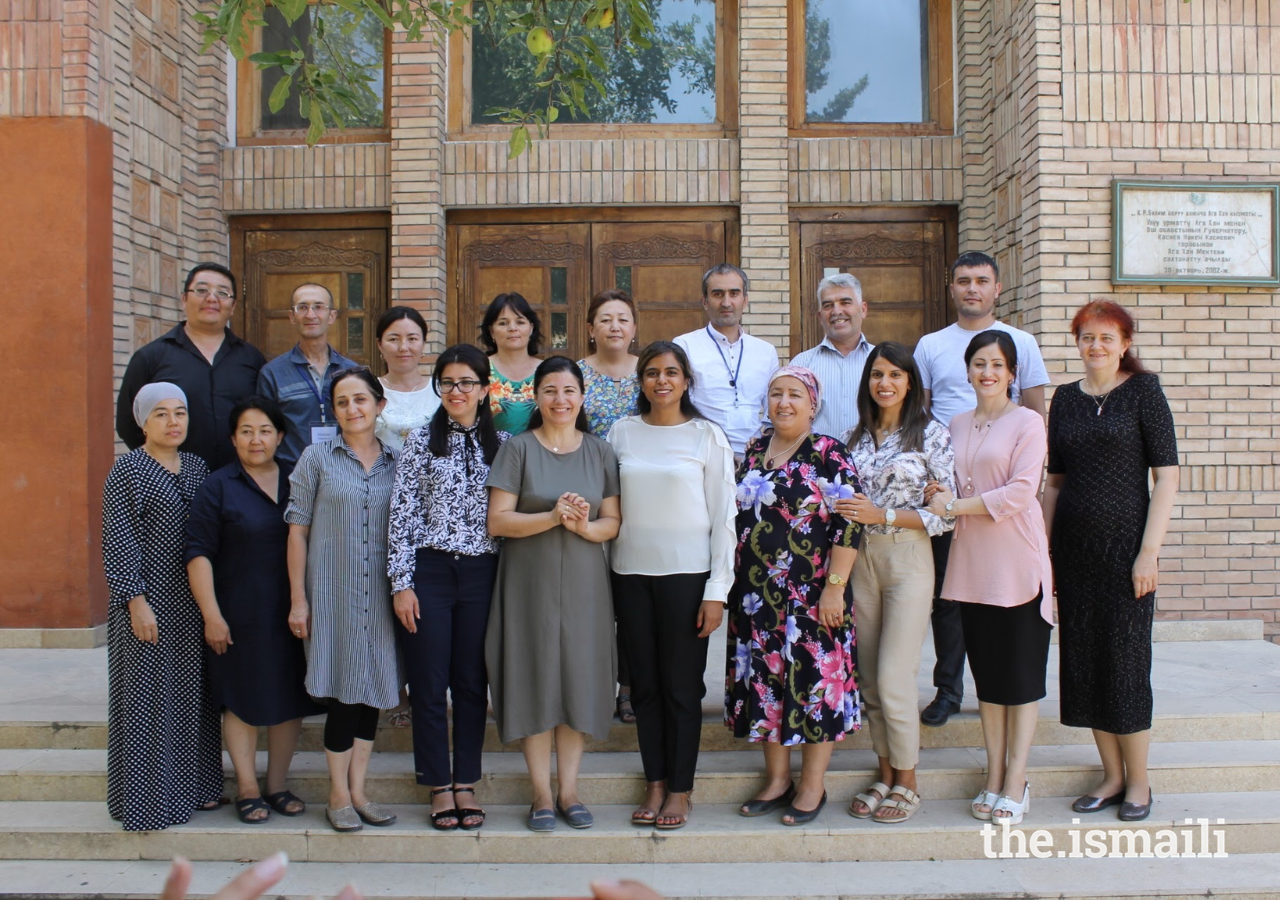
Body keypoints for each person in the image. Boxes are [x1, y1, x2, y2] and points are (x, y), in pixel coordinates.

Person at [1044, 300, 1179, 823]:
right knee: (1085, 662)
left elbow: (1166, 477)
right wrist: (1047, 554)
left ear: (1125, 343)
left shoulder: (1144, 392)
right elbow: (1054, 483)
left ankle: (1139, 782)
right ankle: (1111, 775)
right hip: (1074, 554)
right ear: (1076, 343)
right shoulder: (1065, 400)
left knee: (1125, 665)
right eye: (1086, 337)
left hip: (1127, 554)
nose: (1096, 346)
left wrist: (1149, 552)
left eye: (1107, 337)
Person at [912, 251, 1050, 728]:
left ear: (997, 288)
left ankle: (1007, 688)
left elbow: (1035, 408)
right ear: (951, 288)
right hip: (952, 481)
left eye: (982, 281)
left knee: (1005, 601)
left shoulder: (1023, 342)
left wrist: (1031, 479)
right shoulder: (931, 344)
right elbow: (922, 412)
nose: (972, 288)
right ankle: (949, 689)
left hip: (999, 482)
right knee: (950, 598)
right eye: (963, 281)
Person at [485, 356, 622, 832]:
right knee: (536, 677)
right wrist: (552, 516)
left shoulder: (601, 451)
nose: (560, 400)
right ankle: (540, 794)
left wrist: (583, 525)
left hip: (585, 579)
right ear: (536, 398)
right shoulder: (517, 449)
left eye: (568, 391)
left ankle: (569, 791)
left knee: (577, 680)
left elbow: (612, 523)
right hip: (529, 580)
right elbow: (498, 520)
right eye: (549, 391)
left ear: (581, 397)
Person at [924, 331, 1054, 826]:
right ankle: (994, 775)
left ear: (1012, 373)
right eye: (979, 363)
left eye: (997, 365)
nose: (987, 373)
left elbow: (1021, 492)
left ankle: (1017, 781)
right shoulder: (955, 423)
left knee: (1020, 682)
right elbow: (946, 478)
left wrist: (955, 505)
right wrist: (937, 489)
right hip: (972, 565)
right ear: (968, 370)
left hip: (1017, 563)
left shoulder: (1028, 422)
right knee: (990, 683)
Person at [607, 341, 735, 830]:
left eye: (672, 372)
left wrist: (716, 590)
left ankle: (680, 789)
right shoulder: (621, 433)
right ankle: (654, 782)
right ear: (640, 381)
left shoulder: (707, 436)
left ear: (686, 380)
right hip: (630, 575)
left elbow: (725, 517)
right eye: (652, 373)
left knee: (682, 689)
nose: (662, 381)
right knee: (644, 691)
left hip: (688, 578)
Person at [727, 366, 861, 827]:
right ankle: (777, 779)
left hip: (812, 597)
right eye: (776, 394)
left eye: (795, 395)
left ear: (813, 404)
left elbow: (850, 522)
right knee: (766, 686)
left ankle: (812, 784)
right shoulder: (752, 450)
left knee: (814, 688)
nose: (784, 403)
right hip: (756, 598)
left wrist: (835, 590)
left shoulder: (828, 452)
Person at [185, 397, 323, 825]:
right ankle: (246, 787)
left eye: (265, 430)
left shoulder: (298, 479)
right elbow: (198, 553)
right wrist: (211, 613)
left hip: (292, 611)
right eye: (246, 431)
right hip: (237, 613)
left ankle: (277, 785)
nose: (256, 439)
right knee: (240, 701)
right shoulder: (217, 486)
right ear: (233, 438)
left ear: (280, 436)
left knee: (287, 699)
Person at [388, 344, 508, 831]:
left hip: (482, 572)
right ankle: (439, 784)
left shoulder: (503, 445)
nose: (456, 391)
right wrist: (402, 582)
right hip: (430, 571)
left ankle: (467, 781)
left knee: (471, 682)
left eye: (466, 383)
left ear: (484, 389)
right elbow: (403, 514)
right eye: (447, 383)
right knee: (430, 683)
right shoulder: (420, 441)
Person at [834, 343, 955, 824]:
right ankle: (884, 773)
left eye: (895, 375)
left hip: (907, 558)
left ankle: (908, 781)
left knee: (895, 676)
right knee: (869, 678)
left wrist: (886, 512)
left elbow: (946, 514)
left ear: (910, 383)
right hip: (862, 560)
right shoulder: (853, 437)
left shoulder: (931, 435)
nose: (885, 383)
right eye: (877, 375)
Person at [285, 368, 402, 833]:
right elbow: (297, 532)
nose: (352, 409)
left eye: (361, 400)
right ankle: (337, 794)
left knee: (372, 689)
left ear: (379, 405)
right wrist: (298, 599)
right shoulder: (316, 458)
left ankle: (359, 791)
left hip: (382, 595)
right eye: (342, 402)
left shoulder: (398, 460)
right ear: (333, 411)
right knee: (343, 693)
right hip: (332, 594)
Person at [102, 383, 222, 831]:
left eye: (180, 413)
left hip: (191, 603)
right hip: (146, 605)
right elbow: (119, 540)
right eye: (161, 415)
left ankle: (195, 791)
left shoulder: (196, 467)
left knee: (192, 699)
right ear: (142, 422)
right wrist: (135, 600)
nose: (173, 422)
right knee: (145, 702)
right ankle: (144, 803)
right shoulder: (128, 471)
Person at [117, 263, 266, 470]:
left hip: (239, 482)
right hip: (174, 484)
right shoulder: (151, 357)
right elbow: (128, 423)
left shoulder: (252, 358)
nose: (212, 298)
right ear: (184, 299)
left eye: (222, 293)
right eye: (202, 290)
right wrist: (161, 466)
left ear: (232, 307)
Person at [577, 288, 641, 725]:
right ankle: (587, 686)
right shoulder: (575, 374)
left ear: (634, 327)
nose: (614, 326)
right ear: (590, 329)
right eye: (605, 319)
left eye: (622, 318)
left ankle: (629, 687)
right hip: (588, 496)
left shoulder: (651, 370)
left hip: (642, 497)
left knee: (632, 598)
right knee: (592, 600)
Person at [674, 263, 780, 460]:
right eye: (717, 294)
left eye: (734, 293)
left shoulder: (766, 352)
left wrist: (766, 440)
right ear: (705, 301)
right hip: (702, 455)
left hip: (756, 458)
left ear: (745, 300)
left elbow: (774, 406)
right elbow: (678, 405)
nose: (726, 302)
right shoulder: (684, 346)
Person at [255, 283, 358, 466]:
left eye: (319, 307)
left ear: (331, 316)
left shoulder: (352, 372)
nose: (310, 314)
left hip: (345, 475)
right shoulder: (272, 374)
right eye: (302, 307)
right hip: (292, 477)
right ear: (292, 316)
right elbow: (265, 431)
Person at [790, 273, 875, 439]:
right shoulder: (802, 364)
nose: (837, 311)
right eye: (828, 305)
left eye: (845, 302)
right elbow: (782, 420)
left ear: (863, 309)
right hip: (817, 460)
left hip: (871, 462)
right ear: (820, 316)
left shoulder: (883, 362)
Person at [374, 306, 440, 454]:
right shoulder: (368, 390)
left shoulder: (440, 391)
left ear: (423, 343)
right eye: (394, 339)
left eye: (412, 339)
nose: (403, 347)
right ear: (380, 344)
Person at [480, 292, 543, 434]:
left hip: (540, 454)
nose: (513, 328)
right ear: (491, 331)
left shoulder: (547, 371)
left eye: (520, 322)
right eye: (503, 323)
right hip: (491, 453)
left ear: (531, 328)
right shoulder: (479, 370)